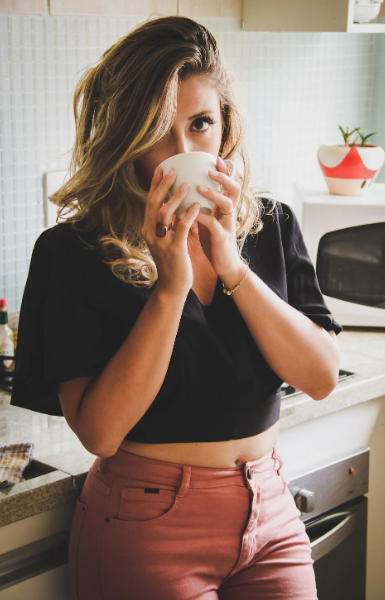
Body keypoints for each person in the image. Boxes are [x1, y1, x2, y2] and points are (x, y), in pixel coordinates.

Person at [10, 14, 342, 600]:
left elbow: (319, 377)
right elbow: (100, 432)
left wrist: (234, 268)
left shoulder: (269, 225)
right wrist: (171, 286)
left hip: (270, 515)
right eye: (159, 130)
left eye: (201, 124)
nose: (183, 151)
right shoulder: (72, 252)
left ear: (226, 129)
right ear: (125, 135)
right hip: (144, 523)